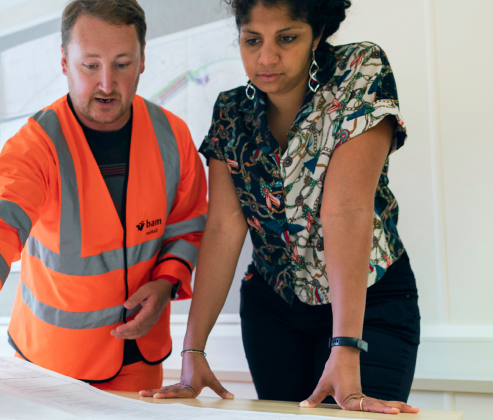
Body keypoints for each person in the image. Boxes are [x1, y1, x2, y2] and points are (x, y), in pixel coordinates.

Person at [0, 0, 210, 392]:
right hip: (50, 367)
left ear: (143, 60)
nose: (106, 84)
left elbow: (187, 226)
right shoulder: (35, 146)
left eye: (122, 63)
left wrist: (167, 281)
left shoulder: (174, 137)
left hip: (140, 359)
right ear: (64, 62)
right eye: (90, 65)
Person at [139, 0, 422, 415]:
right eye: (252, 40)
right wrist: (192, 350)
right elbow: (223, 228)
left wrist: (345, 347)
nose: (266, 58)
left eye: (287, 38)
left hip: (368, 302)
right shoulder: (231, 112)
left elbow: (344, 209)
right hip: (273, 308)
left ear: (317, 34)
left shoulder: (360, 69)